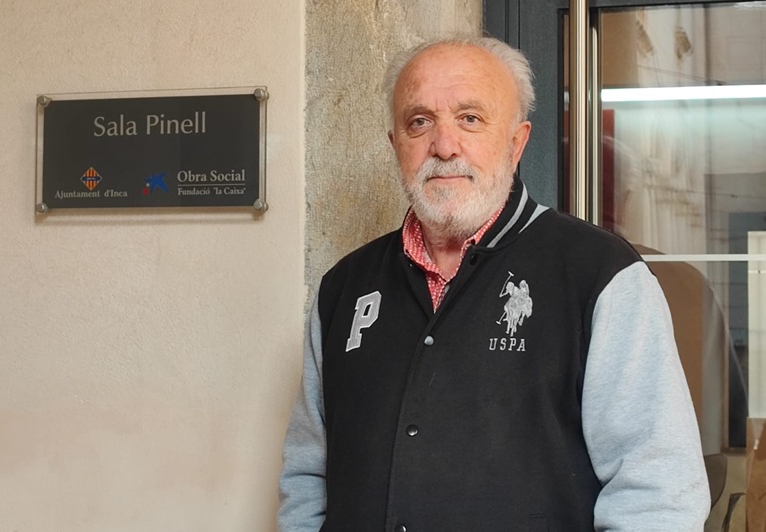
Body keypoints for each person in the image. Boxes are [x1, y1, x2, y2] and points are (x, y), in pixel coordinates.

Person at [278, 36, 710, 531]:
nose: (444, 146)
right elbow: (306, 479)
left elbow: (657, 495)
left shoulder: (599, 275)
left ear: (516, 142)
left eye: (470, 118)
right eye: (419, 122)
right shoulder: (343, 290)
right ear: (395, 145)